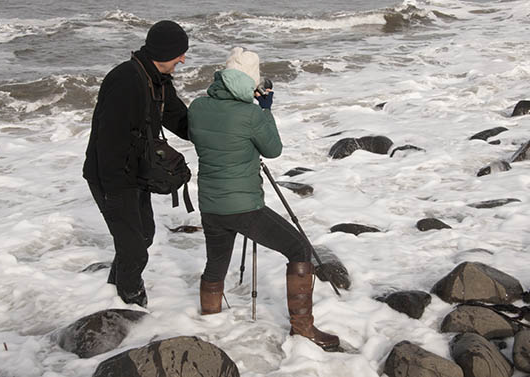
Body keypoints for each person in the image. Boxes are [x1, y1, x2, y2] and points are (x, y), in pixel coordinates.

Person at [187, 47, 339, 350]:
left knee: (216, 263)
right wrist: (265, 109)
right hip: (244, 206)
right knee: (298, 248)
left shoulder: (198, 107)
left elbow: (209, 138)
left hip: (211, 205)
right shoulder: (252, 113)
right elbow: (272, 150)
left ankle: (210, 324)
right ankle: (303, 328)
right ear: (249, 82)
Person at [82, 20, 190, 307]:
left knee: (144, 236)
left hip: (136, 174)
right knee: (134, 249)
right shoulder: (126, 79)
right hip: (111, 177)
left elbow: (183, 121)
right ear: (165, 51)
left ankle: (113, 294)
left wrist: (229, 122)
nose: (183, 59)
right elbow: (108, 142)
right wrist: (116, 191)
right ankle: (131, 305)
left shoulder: (157, 81)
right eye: (180, 53)